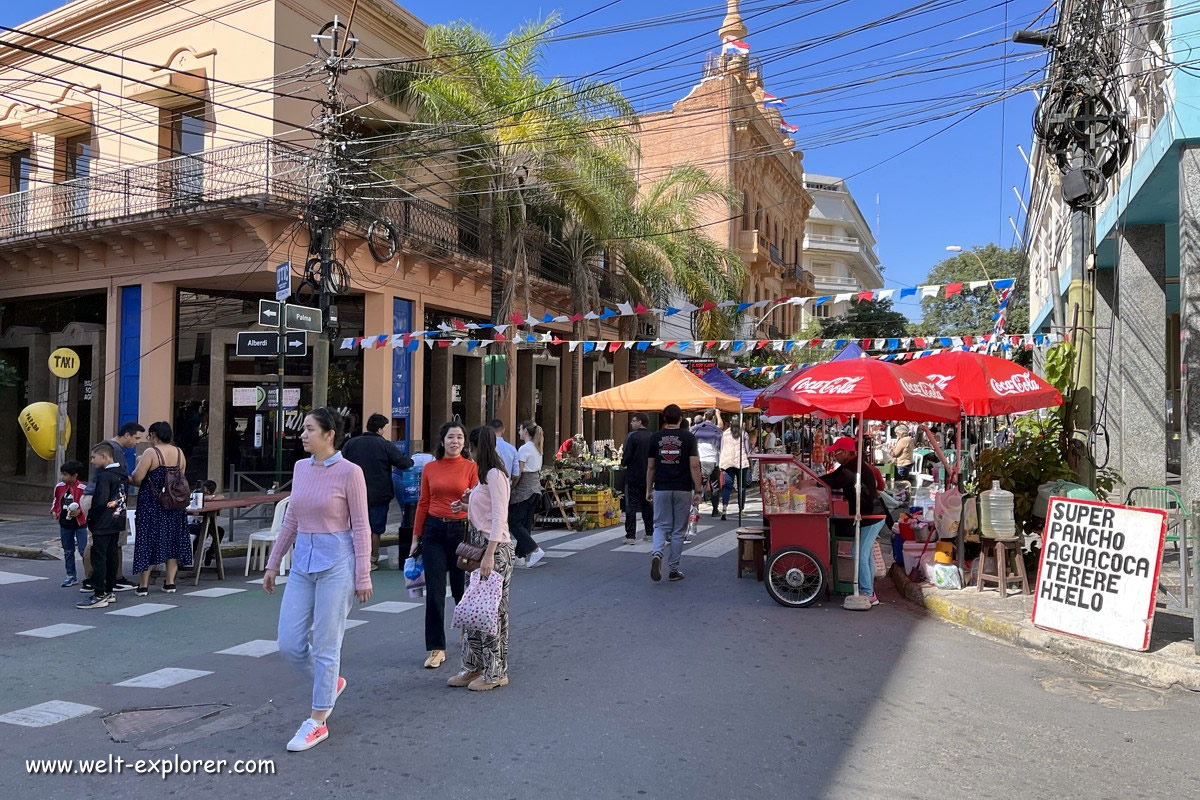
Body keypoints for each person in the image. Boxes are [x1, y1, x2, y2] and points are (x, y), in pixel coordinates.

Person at [261, 408, 372, 752]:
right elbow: (292, 518)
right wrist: (273, 561)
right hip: (302, 562)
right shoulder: (300, 468)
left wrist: (363, 573)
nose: (302, 434)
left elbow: (362, 525)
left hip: (337, 561)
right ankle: (330, 682)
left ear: (329, 434)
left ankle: (317, 720)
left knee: (327, 644)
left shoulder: (350, 473)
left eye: (309, 429)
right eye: (304, 429)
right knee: (289, 644)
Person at [447, 426, 515, 691]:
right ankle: (474, 664)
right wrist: (466, 506)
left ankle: (495, 671)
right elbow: (488, 512)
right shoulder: (484, 475)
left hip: (493, 548)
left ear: (476, 447)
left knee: (491, 611)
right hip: (480, 546)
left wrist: (489, 554)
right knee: (474, 609)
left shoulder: (495, 476)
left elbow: (500, 517)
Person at [412, 420, 478, 669]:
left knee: (462, 590)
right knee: (435, 592)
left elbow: (479, 502)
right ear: (442, 441)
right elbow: (423, 502)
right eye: (451, 437)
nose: (455, 442)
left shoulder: (471, 467)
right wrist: (416, 537)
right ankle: (436, 648)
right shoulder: (430, 468)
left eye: (460, 437)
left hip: (461, 531)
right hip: (434, 531)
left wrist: (466, 505)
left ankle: (468, 633)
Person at [819, 436, 887, 607]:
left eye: (837, 452)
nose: (834, 456)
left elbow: (836, 481)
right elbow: (833, 476)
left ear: (848, 453)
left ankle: (867, 592)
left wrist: (813, 482)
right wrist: (815, 479)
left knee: (859, 553)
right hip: (869, 516)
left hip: (872, 516)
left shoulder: (853, 469)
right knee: (865, 554)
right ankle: (870, 591)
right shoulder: (850, 466)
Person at [342, 413, 414, 571]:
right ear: (381, 429)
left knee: (355, 527)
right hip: (379, 493)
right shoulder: (385, 445)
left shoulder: (351, 443)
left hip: (353, 493)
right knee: (376, 528)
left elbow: (341, 464)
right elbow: (404, 463)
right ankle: (371, 559)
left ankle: (355, 557)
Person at [80, 421, 143, 594]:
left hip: (95, 497)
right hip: (105, 500)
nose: (137, 442)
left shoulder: (110, 447)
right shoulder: (114, 451)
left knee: (99, 540)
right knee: (108, 541)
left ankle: (96, 578)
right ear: (127, 435)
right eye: (136, 438)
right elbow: (122, 476)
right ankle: (105, 579)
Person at [129, 422, 191, 596]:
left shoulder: (151, 453)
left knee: (147, 540)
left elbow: (137, 478)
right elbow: (182, 477)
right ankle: (170, 582)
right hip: (174, 505)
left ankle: (143, 585)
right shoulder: (179, 453)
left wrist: (139, 462)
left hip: (152, 504)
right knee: (173, 539)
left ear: (154, 435)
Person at [645, 404, 702, 584]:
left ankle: (657, 553)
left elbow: (651, 467)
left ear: (663, 418)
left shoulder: (655, 438)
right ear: (680, 418)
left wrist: (648, 489)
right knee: (678, 530)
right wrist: (698, 489)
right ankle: (674, 569)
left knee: (660, 526)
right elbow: (694, 465)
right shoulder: (688, 438)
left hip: (661, 487)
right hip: (682, 488)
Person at [77, 442, 128, 609]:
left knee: (98, 557)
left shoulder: (105, 476)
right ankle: (109, 590)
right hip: (117, 518)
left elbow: (100, 500)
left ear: (104, 457)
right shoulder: (122, 474)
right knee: (112, 555)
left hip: (103, 521)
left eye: (94, 457)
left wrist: (91, 518)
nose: (92, 461)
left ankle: (99, 593)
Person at [508, 420, 546, 568]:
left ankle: (534, 549)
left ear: (525, 431)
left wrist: (513, 486)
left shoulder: (524, 449)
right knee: (526, 523)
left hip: (525, 489)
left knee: (514, 522)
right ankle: (520, 556)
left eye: (520, 429)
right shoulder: (537, 448)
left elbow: (519, 471)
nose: (519, 432)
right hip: (535, 487)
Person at [52, 460, 88, 588]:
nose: (63, 477)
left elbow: (87, 505)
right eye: (62, 474)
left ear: (75, 475)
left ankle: (90, 575)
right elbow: (56, 500)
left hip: (80, 524)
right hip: (65, 523)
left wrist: (80, 512)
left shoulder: (83, 488)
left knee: (84, 550)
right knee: (68, 550)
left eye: (66, 474)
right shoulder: (59, 487)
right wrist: (55, 511)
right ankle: (71, 575)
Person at [620, 412, 655, 543]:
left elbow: (627, 455)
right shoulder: (652, 436)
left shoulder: (632, 436)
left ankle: (630, 535)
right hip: (648, 476)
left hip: (633, 475)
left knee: (631, 505)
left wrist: (623, 463)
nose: (631, 423)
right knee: (647, 504)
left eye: (633, 421)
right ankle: (649, 532)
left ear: (639, 422)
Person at [691, 410, 724, 516]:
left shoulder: (696, 429)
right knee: (715, 486)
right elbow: (720, 427)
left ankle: (696, 508)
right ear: (713, 417)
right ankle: (715, 510)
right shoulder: (716, 430)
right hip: (714, 461)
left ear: (704, 416)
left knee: (700, 485)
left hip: (701, 460)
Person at [718, 421, 750, 520]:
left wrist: (720, 461)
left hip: (727, 462)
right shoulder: (744, 433)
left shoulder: (724, 433)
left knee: (727, 487)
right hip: (741, 462)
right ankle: (741, 510)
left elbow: (721, 448)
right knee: (741, 487)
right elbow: (747, 450)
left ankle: (724, 509)